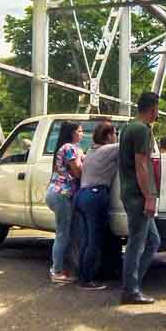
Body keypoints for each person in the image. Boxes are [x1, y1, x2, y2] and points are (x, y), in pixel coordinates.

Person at [119, 93, 162, 305]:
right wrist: (150, 197)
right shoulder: (142, 130)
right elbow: (142, 165)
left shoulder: (128, 127)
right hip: (138, 195)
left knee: (153, 240)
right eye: (157, 109)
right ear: (153, 108)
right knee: (137, 243)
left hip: (130, 192)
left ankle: (132, 283)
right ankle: (131, 289)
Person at [74, 122, 119, 291]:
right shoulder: (109, 149)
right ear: (108, 136)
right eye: (114, 133)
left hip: (82, 195)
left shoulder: (91, 150)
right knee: (94, 240)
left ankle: (83, 276)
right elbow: (129, 144)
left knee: (86, 240)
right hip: (95, 195)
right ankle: (87, 280)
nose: (115, 136)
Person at [45, 123, 84, 284]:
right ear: (72, 133)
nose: (82, 134)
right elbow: (77, 171)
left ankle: (66, 267)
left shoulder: (67, 147)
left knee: (68, 232)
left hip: (57, 193)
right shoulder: (69, 148)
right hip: (62, 193)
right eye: (80, 131)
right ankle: (57, 270)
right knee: (62, 233)